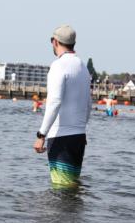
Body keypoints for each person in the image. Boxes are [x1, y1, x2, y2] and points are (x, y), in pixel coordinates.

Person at [33, 25, 91, 189]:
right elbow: (88, 104)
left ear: (55, 41)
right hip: (79, 137)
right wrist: (82, 128)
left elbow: (54, 101)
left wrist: (41, 134)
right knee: (71, 187)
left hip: (61, 137)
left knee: (61, 189)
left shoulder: (58, 65)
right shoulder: (82, 67)